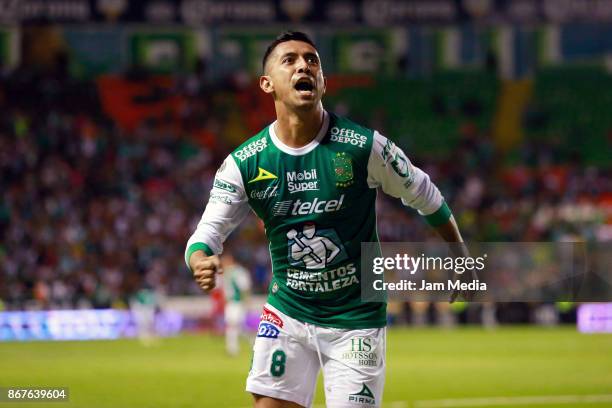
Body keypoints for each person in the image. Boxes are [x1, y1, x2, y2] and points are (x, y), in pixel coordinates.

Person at [186, 31, 467, 408]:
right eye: (290, 60)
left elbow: (426, 194)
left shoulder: (364, 147)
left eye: (312, 60)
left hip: (356, 320)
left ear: (322, 82)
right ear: (266, 84)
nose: (304, 65)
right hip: (288, 312)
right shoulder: (245, 163)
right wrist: (200, 257)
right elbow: (206, 233)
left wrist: (460, 254)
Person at [221, 251, 252, 356]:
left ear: (230, 260)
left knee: (232, 325)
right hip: (231, 302)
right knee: (238, 326)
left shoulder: (238, 272)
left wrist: (246, 301)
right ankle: (252, 342)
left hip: (236, 302)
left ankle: (232, 349)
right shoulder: (228, 272)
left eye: (225, 261)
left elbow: (244, 287)